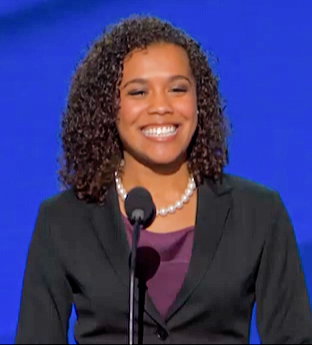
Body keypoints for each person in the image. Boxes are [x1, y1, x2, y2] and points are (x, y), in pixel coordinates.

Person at [16, 16, 312, 344]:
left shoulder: (258, 212)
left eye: (177, 89)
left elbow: (293, 337)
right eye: (139, 92)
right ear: (108, 108)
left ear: (199, 103)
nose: (161, 106)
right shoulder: (63, 220)